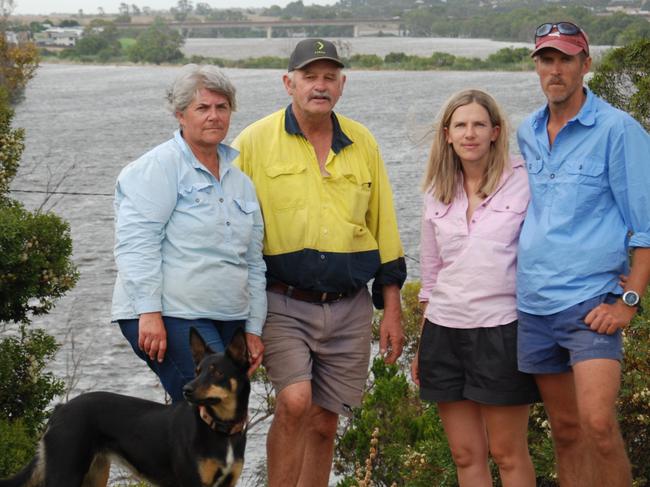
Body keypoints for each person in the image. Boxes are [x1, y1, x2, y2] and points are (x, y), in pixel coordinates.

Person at [232, 38, 406, 486]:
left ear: (342, 84)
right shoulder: (252, 141)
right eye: (310, 76)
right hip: (282, 301)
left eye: (329, 77)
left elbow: (383, 224)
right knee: (293, 402)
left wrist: (392, 307)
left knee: (326, 420)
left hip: (349, 306)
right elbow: (226, 223)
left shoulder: (362, 142)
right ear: (288, 83)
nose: (320, 85)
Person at [517, 22, 650, 487]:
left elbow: (646, 226)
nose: (556, 70)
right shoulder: (526, 131)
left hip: (592, 304)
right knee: (567, 432)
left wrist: (628, 301)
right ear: (536, 66)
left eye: (566, 59)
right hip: (533, 306)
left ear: (585, 65)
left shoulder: (619, 130)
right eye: (547, 60)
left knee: (597, 425)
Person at [111, 65, 266, 402]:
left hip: (228, 314)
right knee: (208, 408)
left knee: (227, 411)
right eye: (203, 108)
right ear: (180, 115)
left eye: (221, 107)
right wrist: (149, 311)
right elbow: (137, 244)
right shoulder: (157, 168)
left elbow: (254, 262)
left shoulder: (241, 183)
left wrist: (253, 328)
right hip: (170, 314)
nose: (214, 116)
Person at [411, 89, 538, 487]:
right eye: (461, 125)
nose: (470, 133)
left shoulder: (525, 181)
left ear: (496, 131)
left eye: (479, 124)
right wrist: (422, 343)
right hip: (444, 333)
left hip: (502, 329)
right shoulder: (436, 192)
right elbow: (431, 277)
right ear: (447, 134)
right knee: (466, 456)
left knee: (508, 453)